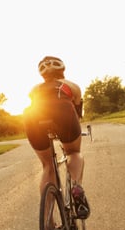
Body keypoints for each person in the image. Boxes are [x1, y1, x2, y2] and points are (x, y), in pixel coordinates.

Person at [23, 55, 90, 219]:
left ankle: (48, 223)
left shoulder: (34, 89)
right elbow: (76, 113)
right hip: (63, 110)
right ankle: (76, 187)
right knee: (73, 153)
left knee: (47, 166)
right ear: (62, 69)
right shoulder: (72, 86)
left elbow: (42, 106)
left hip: (32, 116)